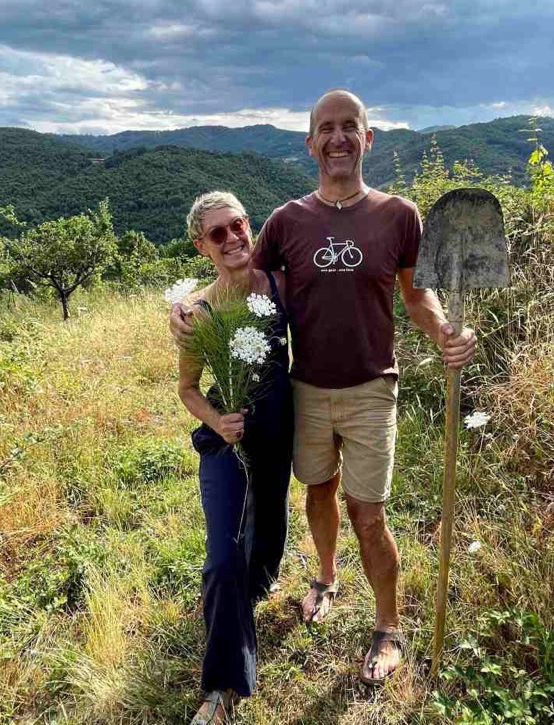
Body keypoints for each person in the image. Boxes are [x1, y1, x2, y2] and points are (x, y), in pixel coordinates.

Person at [172, 90, 476, 687]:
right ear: (310, 144)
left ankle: (388, 626)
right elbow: (241, 279)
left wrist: (443, 329)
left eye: (349, 126)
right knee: (318, 490)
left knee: (368, 512)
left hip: (372, 387)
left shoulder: (400, 215)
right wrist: (184, 307)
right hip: (305, 390)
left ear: (368, 138)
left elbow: (416, 296)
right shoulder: (287, 221)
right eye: (326, 129)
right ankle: (326, 578)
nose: (338, 138)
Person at [177, 191, 293, 724]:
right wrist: (217, 420)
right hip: (226, 439)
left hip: (277, 431)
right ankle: (222, 688)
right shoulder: (197, 313)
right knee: (224, 553)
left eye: (238, 225)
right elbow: (187, 388)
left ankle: (248, 590)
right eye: (216, 233)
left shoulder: (279, 285)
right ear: (201, 246)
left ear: (251, 225)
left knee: (267, 527)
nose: (232, 238)